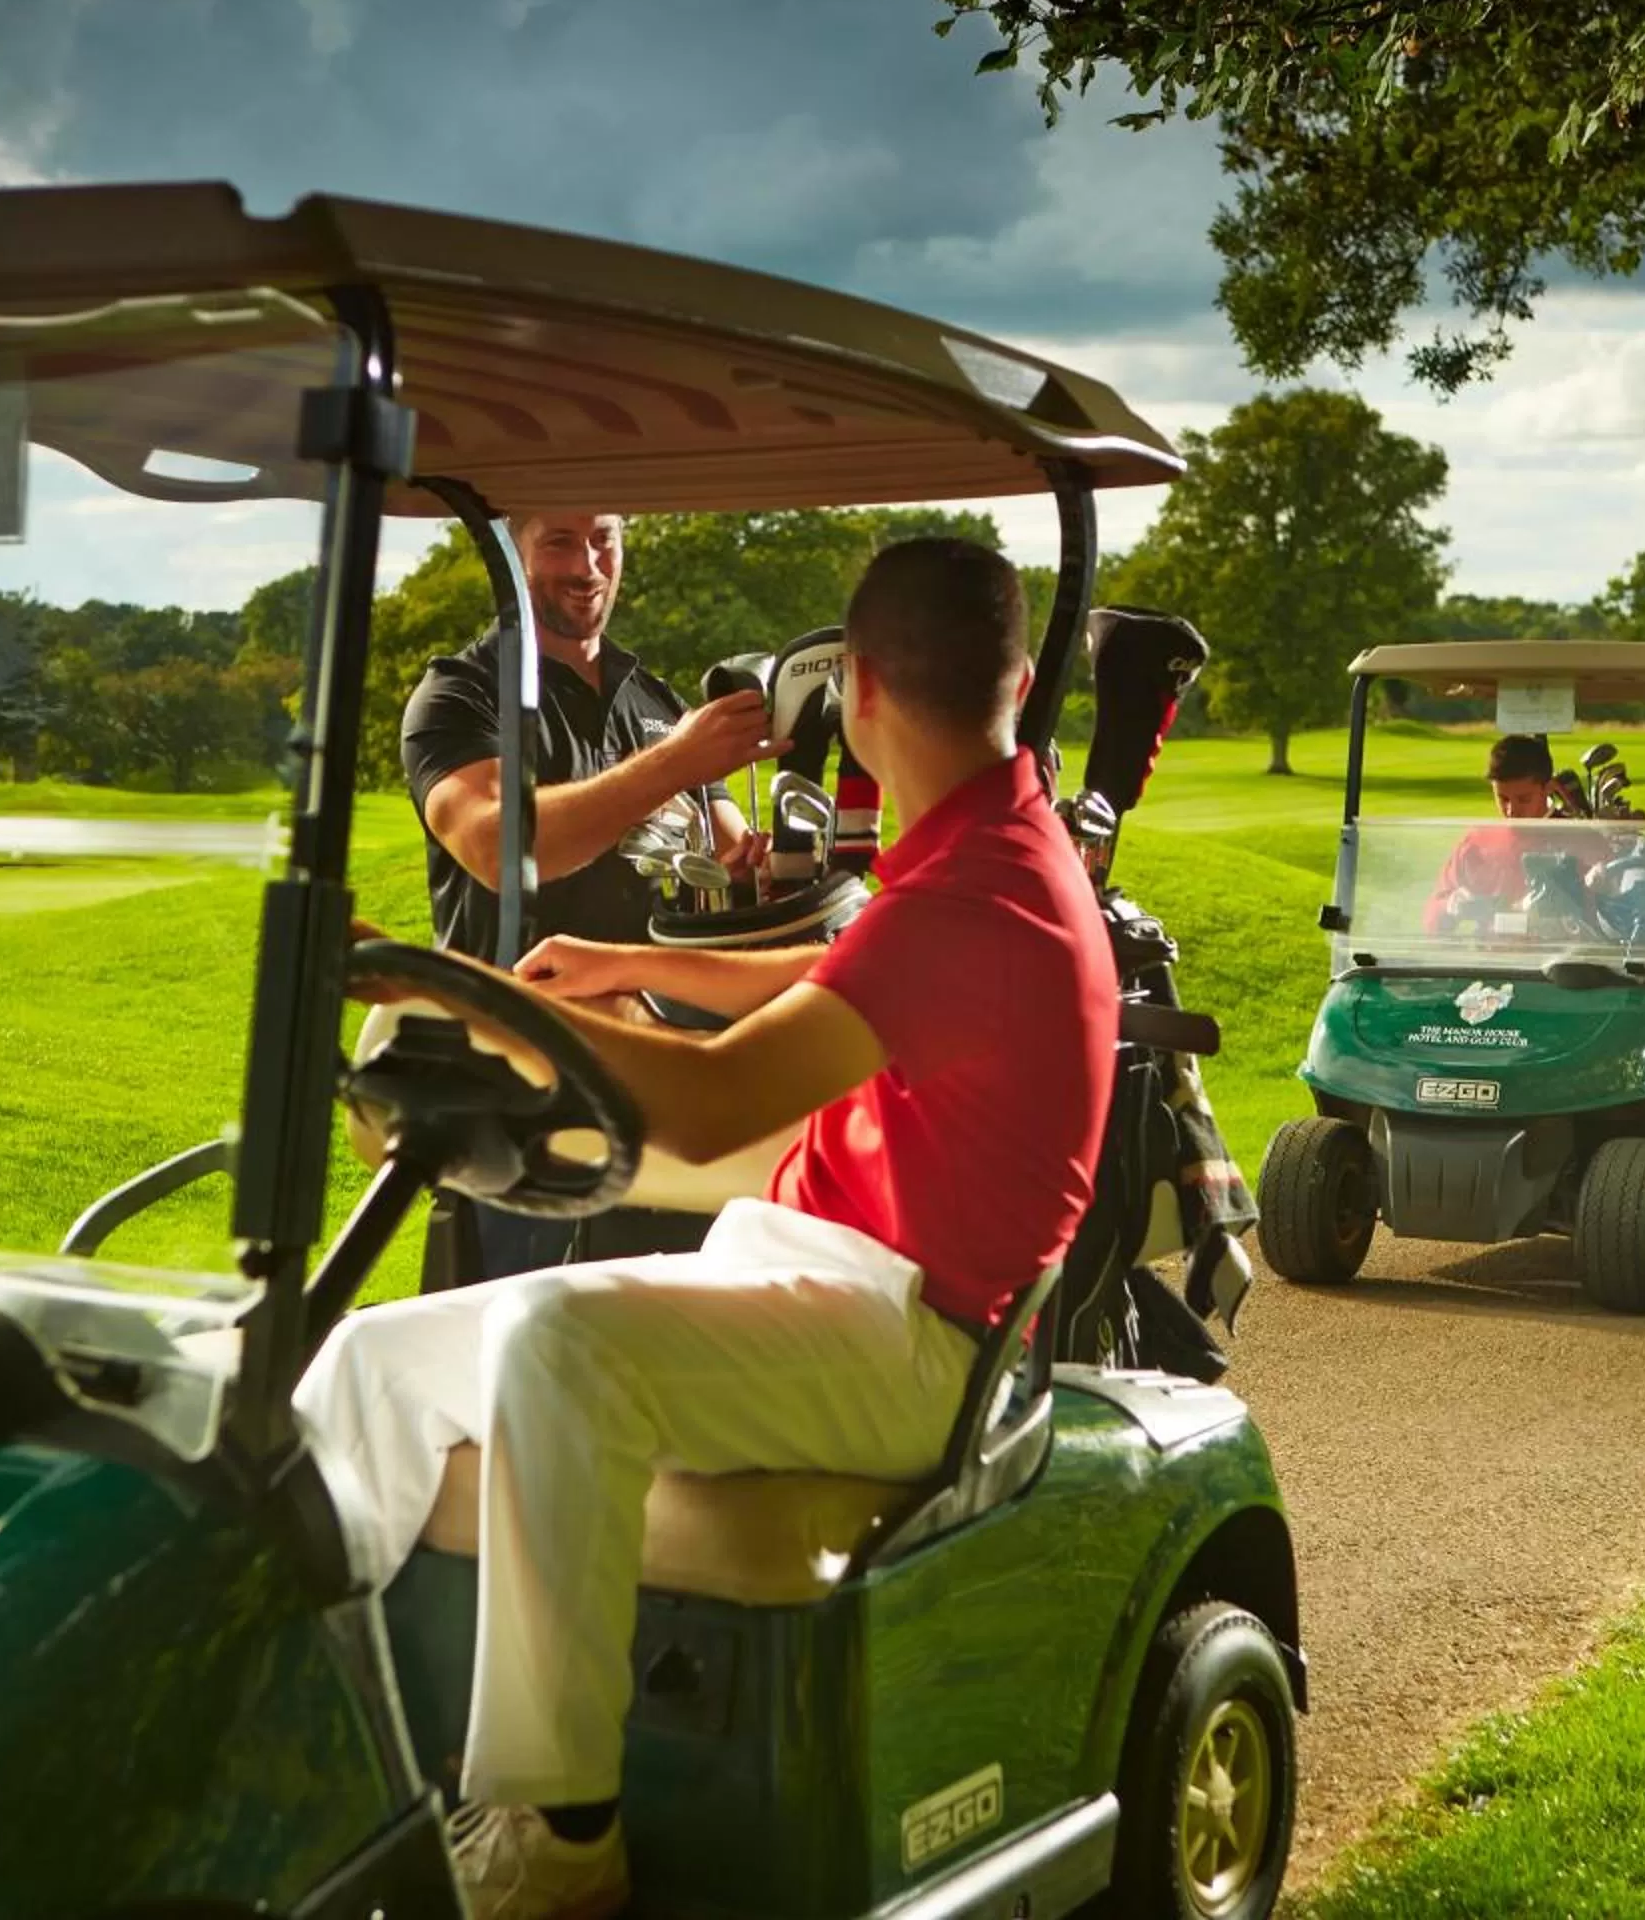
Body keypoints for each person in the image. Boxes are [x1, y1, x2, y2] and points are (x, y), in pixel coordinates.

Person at [304, 539, 1117, 1920]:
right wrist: (626, 962)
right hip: (815, 1267)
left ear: (858, 690)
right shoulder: (991, 845)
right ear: (1020, 680)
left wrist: (464, 988)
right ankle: (308, 1748)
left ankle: (560, 1837)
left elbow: (706, 1106)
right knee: (374, 1360)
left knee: (561, 1339)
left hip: (916, 1337)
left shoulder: (979, 889)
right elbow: (847, 969)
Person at [400, 508, 772, 1280]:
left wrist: (750, 870)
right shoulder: (461, 693)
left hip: (659, 1079)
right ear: (514, 553)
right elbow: (500, 849)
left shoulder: (654, 699)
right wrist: (674, 763)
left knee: (652, 1323)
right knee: (513, 1324)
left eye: (603, 539)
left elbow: (727, 852)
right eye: (560, 542)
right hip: (521, 1086)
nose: (588, 566)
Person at [1423, 733, 1558, 931]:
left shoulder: (1579, 840)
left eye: (1524, 799)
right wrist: (1449, 906)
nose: (1511, 811)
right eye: (1503, 798)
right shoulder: (1476, 843)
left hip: (1555, 949)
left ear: (1548, 789)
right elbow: (1432, 919)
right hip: (1491, 949)